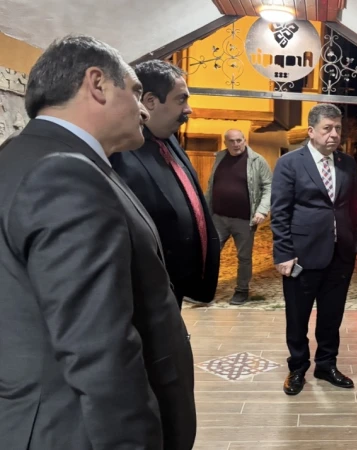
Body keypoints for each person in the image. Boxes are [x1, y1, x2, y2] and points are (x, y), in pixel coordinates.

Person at [0, 35, 197, 450]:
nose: (143, 109)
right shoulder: (62, 173)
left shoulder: (20, 154)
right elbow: (98, 348)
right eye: (136, 92)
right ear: (97, 84)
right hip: (77, 428)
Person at [270, 103, 357, 396]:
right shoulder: (290, 163)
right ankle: (298, 368)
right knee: (297, 317)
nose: (334, 134)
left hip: (340, 255)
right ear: (311, 131)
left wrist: (356, 242)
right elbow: (280, 212)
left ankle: (326, 365)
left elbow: (356, 206)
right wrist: (283, 253)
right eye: (327, 128)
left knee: (331, 316)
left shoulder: (347, 163)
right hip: (302, 255)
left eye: (338, 128)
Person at [110, 60, 220, 308]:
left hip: (175, 284)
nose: (188, 109)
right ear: (150, 101)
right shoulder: (121, 149)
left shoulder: (168, 139)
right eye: (181, 99)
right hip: (144, 291)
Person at [205, 128, 272, 305]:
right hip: (218, 218)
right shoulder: (220, 158)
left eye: (239, 140)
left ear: (244, 140)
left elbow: (269, 186)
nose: (236, 144)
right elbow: (211, 185)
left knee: (244, 258)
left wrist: (262, 210)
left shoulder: (257, 160)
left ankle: (242, 290)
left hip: (244, 220)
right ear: (225, 143)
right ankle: (204, 290)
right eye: (232, 141)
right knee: (210, 254)